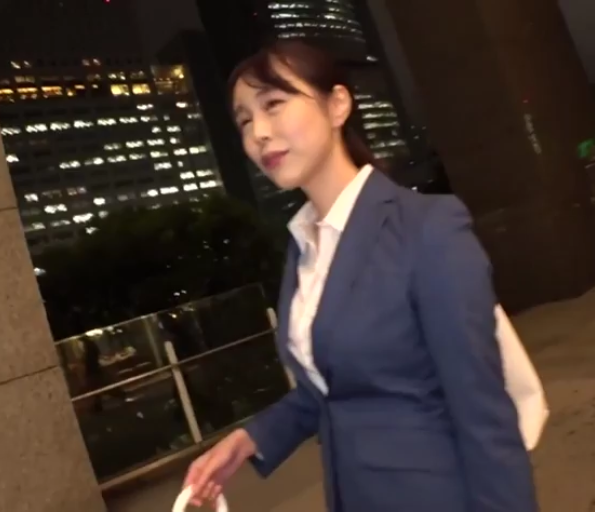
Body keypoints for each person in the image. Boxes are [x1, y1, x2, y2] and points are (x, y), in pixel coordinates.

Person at [182, 40, 537, 512]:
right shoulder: (305, 247)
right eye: (244, 120)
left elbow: (483, 412)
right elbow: (338, 388)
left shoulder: (426, 228)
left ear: (337, 105)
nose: (258, 133)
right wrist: (249, 439)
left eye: (273, 104)